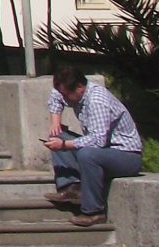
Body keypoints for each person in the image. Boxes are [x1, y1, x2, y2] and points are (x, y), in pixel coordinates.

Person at [42, 65, 143, 227]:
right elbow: (56, 96)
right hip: (103, 151)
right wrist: (56, 123)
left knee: (87, 154)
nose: (65, 100)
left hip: (126, 156)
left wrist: (64, 144)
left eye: (67, 96)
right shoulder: (72, 93)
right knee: (58, 135)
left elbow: (98, 140)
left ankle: (94, 211)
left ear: (80, 89)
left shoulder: (97, 101)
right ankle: (72, 187)